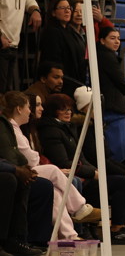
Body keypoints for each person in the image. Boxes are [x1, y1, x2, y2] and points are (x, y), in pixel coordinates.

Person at [35, 91, 125, 244]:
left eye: (69, 109)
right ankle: (90, 228)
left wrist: (96, 171)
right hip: (73, 174)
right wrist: (94, 173)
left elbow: (83, 158)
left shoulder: (69, 128)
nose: (68, 112)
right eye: (63, 109)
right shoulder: (54, 131)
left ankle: (118, 227)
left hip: (83, 173)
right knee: (119, 182)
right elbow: (64, 161)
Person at [4, 91, 100, 241]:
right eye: (29, 107)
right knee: (53, 170)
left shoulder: (18, 128)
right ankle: (79, 208)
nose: (31, 111)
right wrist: (35, 157)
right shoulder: (12, 128)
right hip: (19, 171)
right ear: (19, 109)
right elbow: (31, 159)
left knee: (55, 193)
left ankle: (70, 236)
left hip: (24, 168)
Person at [0, 0, 43, 91]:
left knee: (7, 90)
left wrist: (35, 11)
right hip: (2, 43)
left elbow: (30, 2)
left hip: (12, 45)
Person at [95, 26, 125, 162]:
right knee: (119, 152)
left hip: (110, 105)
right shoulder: (107, 56)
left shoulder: (101, 54)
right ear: (102, 40)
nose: (117, 42)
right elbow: (122, 83)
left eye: (118, 38)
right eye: (112, 38)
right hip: (113, 108)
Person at [38, 0, 86, 89]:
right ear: (53, 12)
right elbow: (54, 60)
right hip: (63, 83)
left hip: (75, 79)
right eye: (62, 8)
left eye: (68, 8)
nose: (67, 11)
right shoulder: (52, 32)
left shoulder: (70, 31)